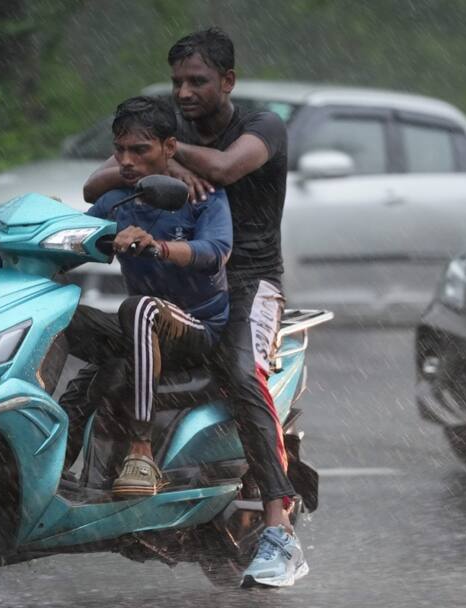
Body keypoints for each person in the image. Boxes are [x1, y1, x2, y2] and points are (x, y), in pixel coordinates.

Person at [83, 28, 305, 588]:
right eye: (177, 81)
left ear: (227, 82)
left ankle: (280, 530)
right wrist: (159, 163)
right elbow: (98, 185)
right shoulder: (169, 133)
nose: (183, 92)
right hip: (182, 286)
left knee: (238, 373)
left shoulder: (262, 127)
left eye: (197, 81)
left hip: (248, 283)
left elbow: (228, 169)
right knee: (89, 346)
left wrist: (175, 157)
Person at [59, 95, 232, 497]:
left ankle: (141, 452)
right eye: (119, 150)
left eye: (140, 150)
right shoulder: (118, 200)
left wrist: (159, 247)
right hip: (141, 333)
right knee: (61, 313)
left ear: (169, 149)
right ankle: (42, 462)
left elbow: (216, 252)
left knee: (137, 309)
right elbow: (71, 247)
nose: (127, 162)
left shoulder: (203, 195)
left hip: (196, 328)